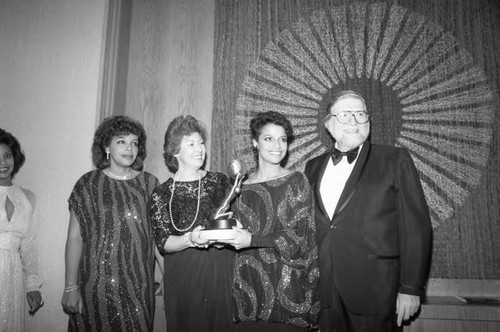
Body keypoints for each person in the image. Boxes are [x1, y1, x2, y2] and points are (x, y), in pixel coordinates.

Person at [304, 90, 433, 331]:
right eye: (344, 115)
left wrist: (411, 289)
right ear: (328, 124)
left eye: (360, 114)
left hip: (377, 291)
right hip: (325, 293)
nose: (353, 121)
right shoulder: (312, 167)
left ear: (369, 122)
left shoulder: (395, 159)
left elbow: (416, 227)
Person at [219, 111, 319, 332]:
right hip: (247, 291)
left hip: (287, 293)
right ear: (255, 143)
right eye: (268, 138)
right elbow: (232, 230)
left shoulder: (296, 180)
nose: (277, 145)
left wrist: (252, 240)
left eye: (282, 139)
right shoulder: (239, 186)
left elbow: (300, 238)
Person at [61, 116, 159, 331]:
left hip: (139, 289)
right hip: (94, 288)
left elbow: (157, 239)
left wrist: (168, 277)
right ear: (106, 146)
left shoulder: (149, 184)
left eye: (134, 143)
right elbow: (75, 238)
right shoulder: (87, 184)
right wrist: (71, 286)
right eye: (121, 141)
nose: (129, 148)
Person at [149, 115, 237, 332]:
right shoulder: (162, 193)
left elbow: (233, 223)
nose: (200, 149)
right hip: (183, 275)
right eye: (191, 144)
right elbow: (163, 242)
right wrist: (190, 238)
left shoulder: (220, 181)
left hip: (219, 269)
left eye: (201, 143)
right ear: (175, 152)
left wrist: (227, 230)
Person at [0, 128, 43, 331]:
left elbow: (29, 244)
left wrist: (32, 286)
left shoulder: (27, 198)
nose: (2, 162)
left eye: (7, 155)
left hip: (13, 276)